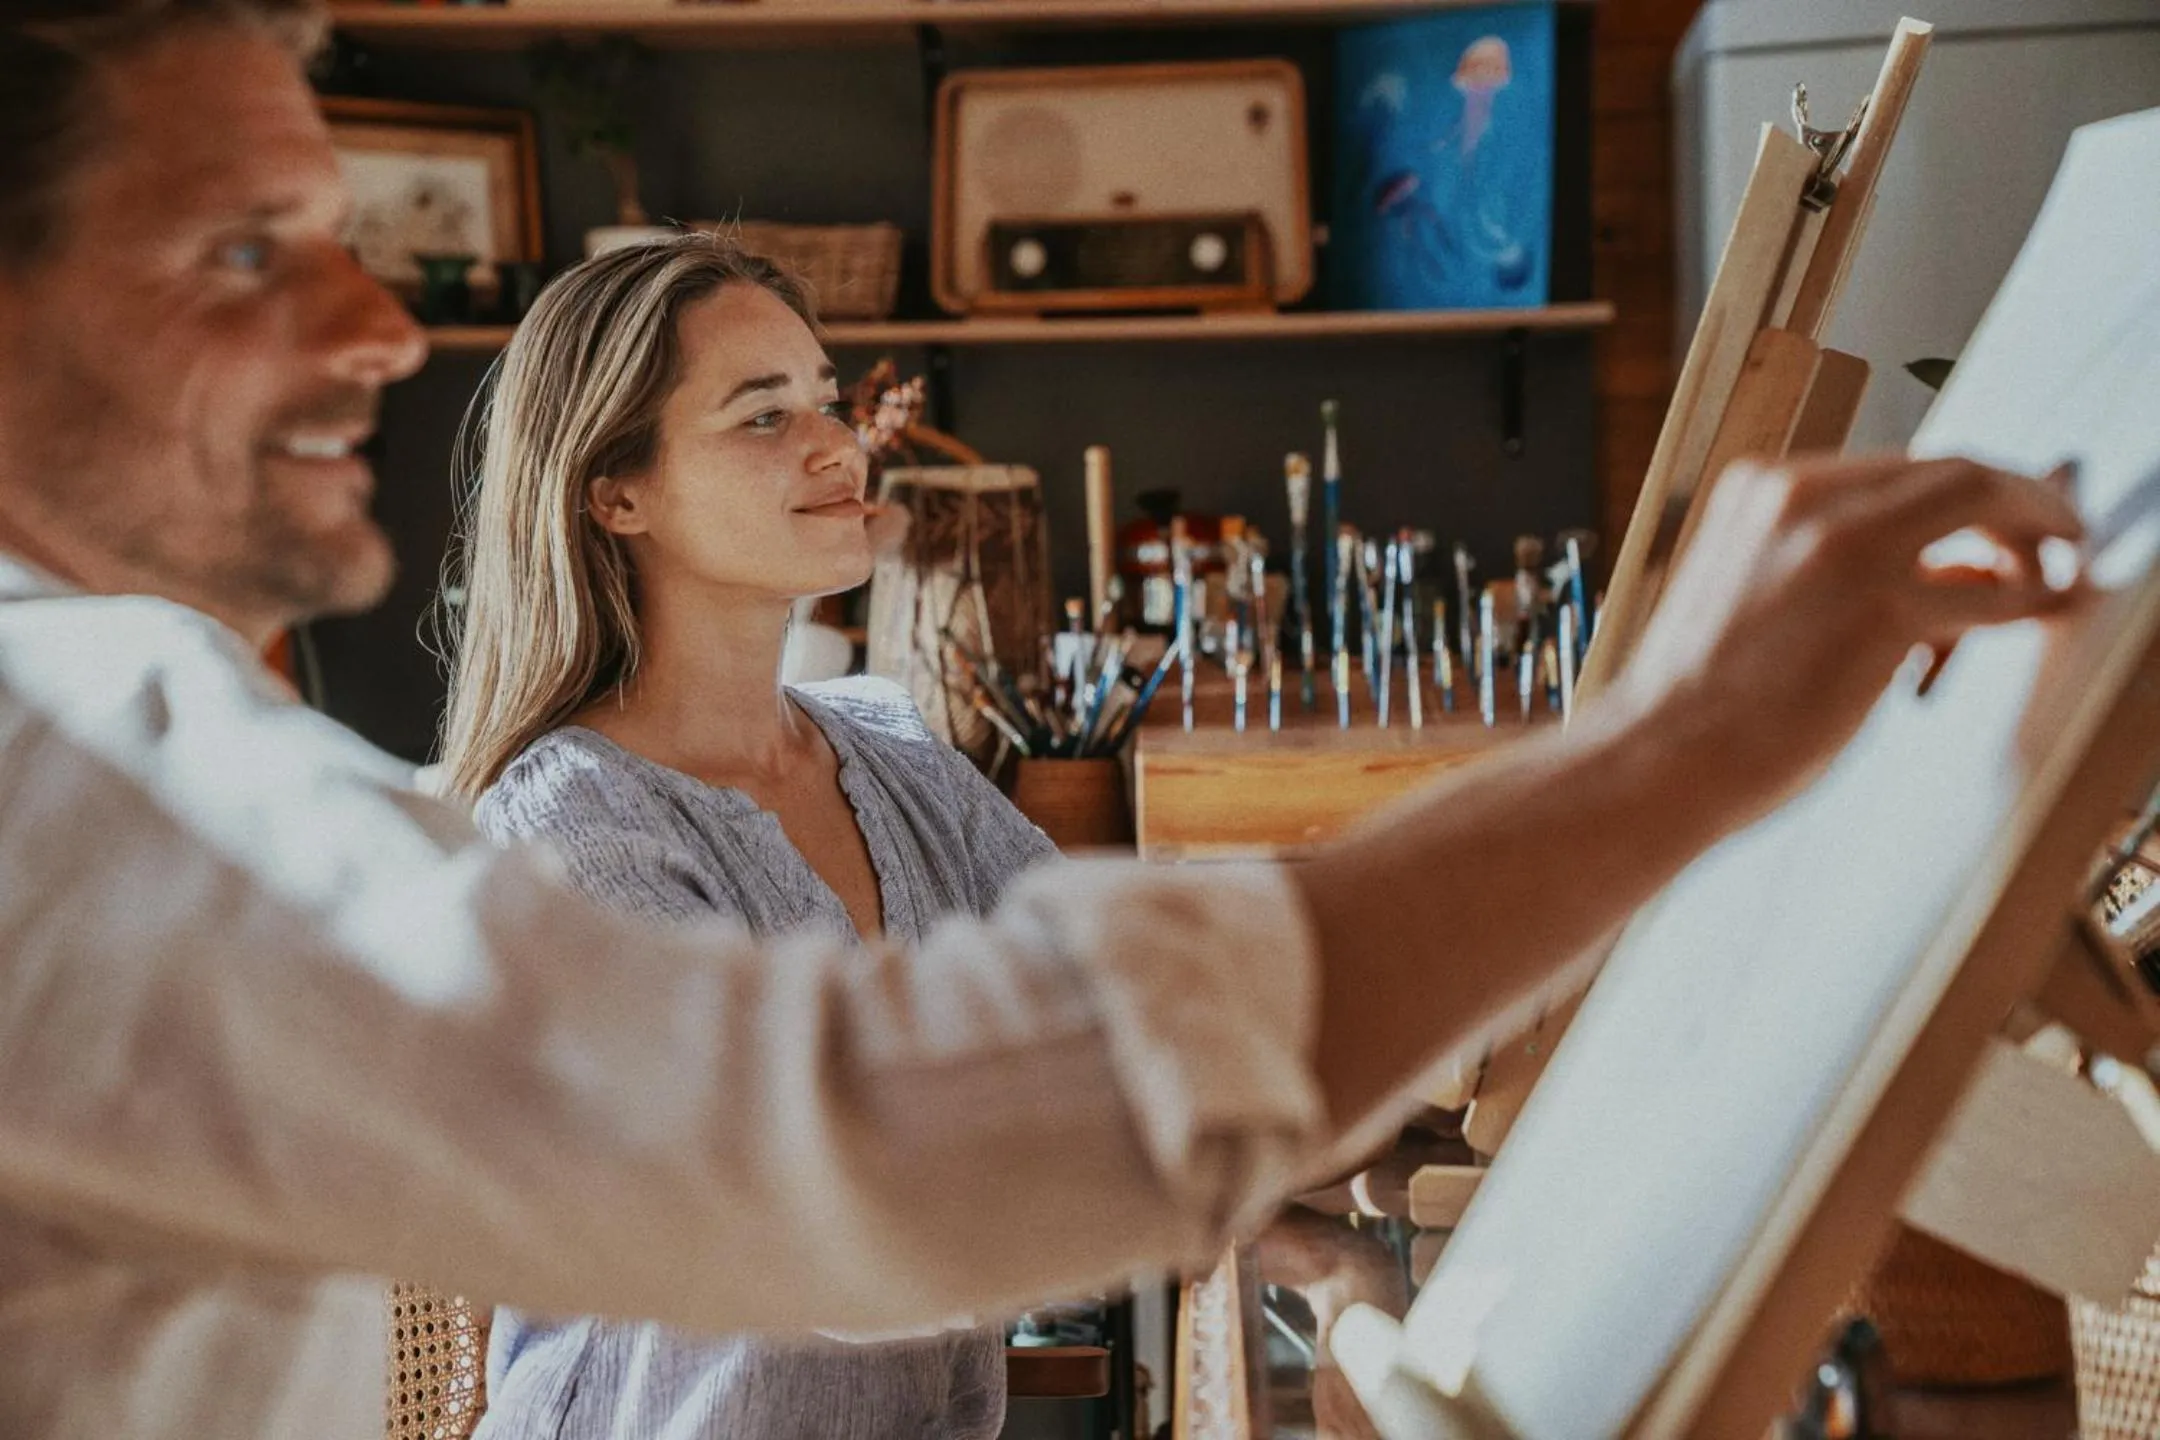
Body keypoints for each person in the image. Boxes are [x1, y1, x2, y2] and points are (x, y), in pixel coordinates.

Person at [0, 3, 2089, 1438]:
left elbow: (1062, 1086)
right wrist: (1689, 739)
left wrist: (1341, 1228)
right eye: (240, 252)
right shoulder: (99, 772)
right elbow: (892, 1148)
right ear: (611, 494)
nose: (380, 331)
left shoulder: (892, 754)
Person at [439, 238, 1064, 1438]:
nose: (842, 445)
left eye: (825, 402)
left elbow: (1107, 998)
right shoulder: (572, 829)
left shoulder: (889, 754)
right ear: (616, 494)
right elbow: (812, 1209)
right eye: (763, 417)